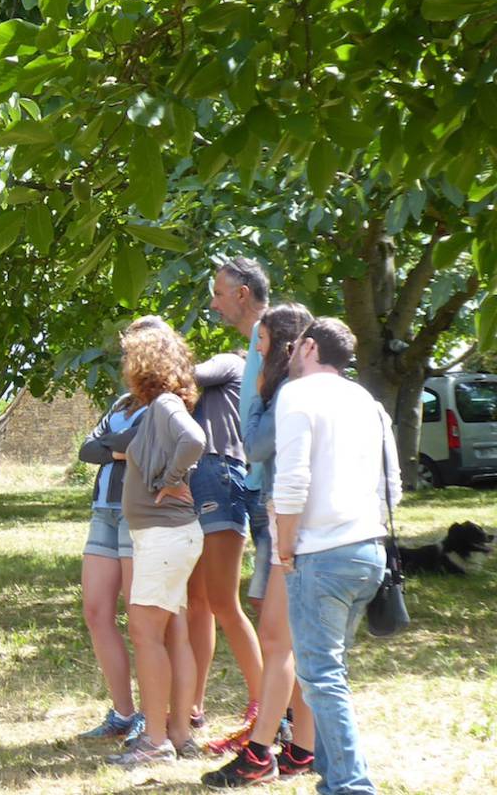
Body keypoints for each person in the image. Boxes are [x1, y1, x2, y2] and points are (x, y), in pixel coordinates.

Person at [273, 317, 397, 795]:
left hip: (319, 554)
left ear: (307, 347)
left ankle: (350, 785)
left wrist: (285, 544)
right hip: (369, 551)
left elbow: (292, 480)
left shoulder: (298, 396)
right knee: (326, 672)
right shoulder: (366, 401)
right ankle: (332, 772)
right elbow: (393, 485)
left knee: (321, 675)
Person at [203, 303, 318, 787]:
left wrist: (254, 397)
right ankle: (302, 751)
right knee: (297, 645)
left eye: (263, 345)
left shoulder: (288, 393)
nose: (257, 352)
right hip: (295, 522)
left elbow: (253, 445)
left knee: (278, 641)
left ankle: (261, 754)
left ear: (285, 349)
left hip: (289, 524)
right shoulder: (316, 392)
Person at [108, 325, 208, 767]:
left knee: (147, 636)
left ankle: (154, 741)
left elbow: (195, 440)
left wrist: (168, 482)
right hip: (172, 536)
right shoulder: (160, 407)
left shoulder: (165, 404)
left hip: (163, 537)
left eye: (129, 357)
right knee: (173, 632)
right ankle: (180, 734)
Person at [183, 346, 263, 738]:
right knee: (198, 602)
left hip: (220, 473)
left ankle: (264, 703)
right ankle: (194, 707)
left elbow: (190, 374)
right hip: (199, 477)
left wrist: (159, 357)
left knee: (223, 602)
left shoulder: (232, 363)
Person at [75, 388, 146, 743]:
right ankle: (122, 713)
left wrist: (111, 446)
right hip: (103, 511)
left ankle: (149, 715)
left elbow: (137, 443)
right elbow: (86, 449)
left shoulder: (163, 401)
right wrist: (116, 449)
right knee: (95, 611)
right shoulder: (121, 401)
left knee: (141, 619)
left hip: (137, 511)